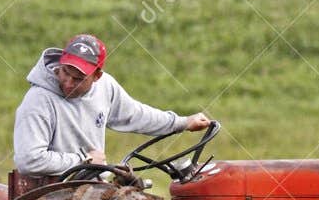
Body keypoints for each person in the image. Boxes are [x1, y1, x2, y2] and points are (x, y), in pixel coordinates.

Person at [13, 34, 212, 181]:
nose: (68, 83)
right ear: (61, 63)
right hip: (53, 192)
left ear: (97, 76)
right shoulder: (38, 101)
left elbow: (136, 115)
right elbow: (29, 160)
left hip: (90, 185)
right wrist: (84, 160)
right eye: (65, 72)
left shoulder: (105, 87)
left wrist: (183, 122)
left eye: (78, 79)